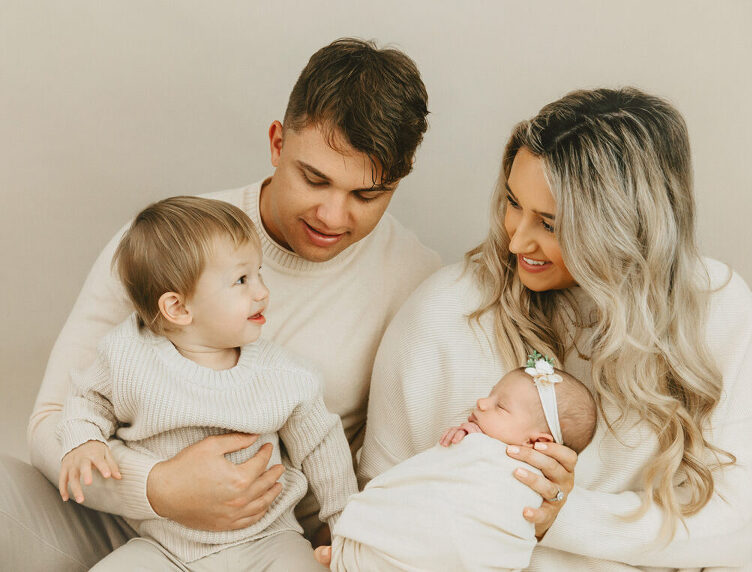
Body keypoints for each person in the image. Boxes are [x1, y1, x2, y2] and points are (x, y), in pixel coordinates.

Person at [0, 38, 440, 570]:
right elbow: (53, 419)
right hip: (123, 526)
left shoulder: (417, 282)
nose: (331, 214)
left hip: (268, 545)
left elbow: (395, 467)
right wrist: (159, 489)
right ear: (278, 143)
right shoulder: (170, 246)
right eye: (314, 178)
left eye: (366, 195)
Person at [349, 88, 752, 569]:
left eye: (550, 223)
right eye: (512, 202)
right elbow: (383, 509)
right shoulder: (443, 317)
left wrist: (562, 516)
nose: (515, 240)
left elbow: (730, 527)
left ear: (625, 229)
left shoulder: (716, 308)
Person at [57, 196, 357, 570]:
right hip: (164, 546)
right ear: (179, 308)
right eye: (242, 280)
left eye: (259, 273)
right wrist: (84, 440)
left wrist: (347, 525)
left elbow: (323, 449)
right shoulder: (128, 355)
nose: (262, 291)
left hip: (267, 541)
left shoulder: (284, 376)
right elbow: (89, 399)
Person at [329, 359, 597, 571]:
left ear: (536, 442)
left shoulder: (532, 477)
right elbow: (432, 485)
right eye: (490, 395)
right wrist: (458, 446)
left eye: (500, 406)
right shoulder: (473, 443)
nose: (481, 403)